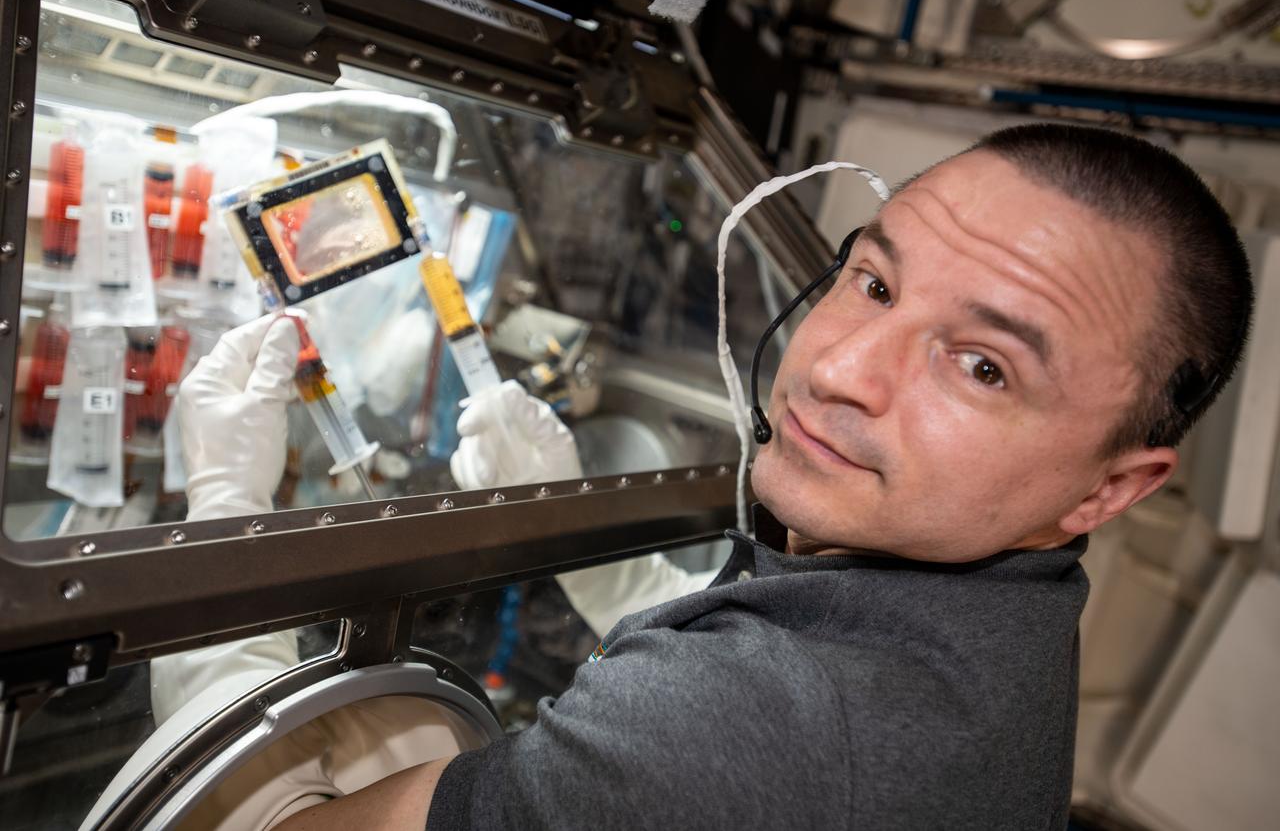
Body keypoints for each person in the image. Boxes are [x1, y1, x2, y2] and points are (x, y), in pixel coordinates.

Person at [191, 124, 1258, 829]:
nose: (837, 371)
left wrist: (223, 529)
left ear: (1109, 489)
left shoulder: (734, 729)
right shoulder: (1005, 621)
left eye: (982, 366)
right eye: (873, 282)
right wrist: (612, 581)